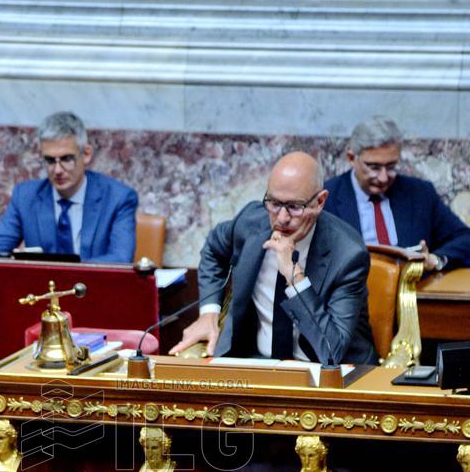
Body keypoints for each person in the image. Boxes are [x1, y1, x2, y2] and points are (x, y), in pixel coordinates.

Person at [170, 151, 377, 365]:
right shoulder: (250, 222)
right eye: (274, 203)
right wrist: (209, 313)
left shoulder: (348, 254)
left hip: (326, 373)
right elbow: (213, 249)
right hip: (256, 363)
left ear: (320, 201)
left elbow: (331, 351)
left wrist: (295, 277)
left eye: (295, 207)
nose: (282, 218)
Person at [0, 111, 138, 263]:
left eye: (66, 159)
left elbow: (121, 259)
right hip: (40, 287)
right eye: (50, 160)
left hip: (95, 286)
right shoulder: (25, 196)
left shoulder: (118, 198)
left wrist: (69, 274)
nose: (57, 170)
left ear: (86, 154)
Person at [324, 116, 470, 271]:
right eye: (374, 167)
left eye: (391, 166)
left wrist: (435, 260)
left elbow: (464, 239)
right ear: (352, 158)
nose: (383, 177)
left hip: (414, 290)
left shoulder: (420, 193)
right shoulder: (328, 197)